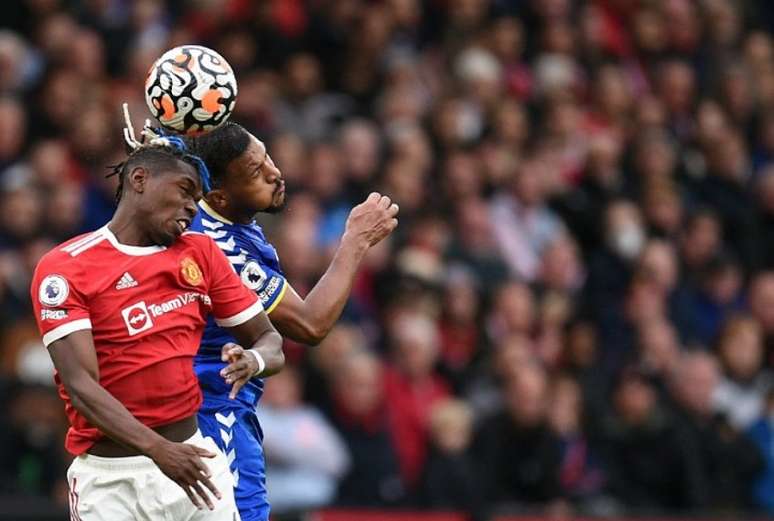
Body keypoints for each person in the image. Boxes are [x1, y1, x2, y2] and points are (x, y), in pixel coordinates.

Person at [30, 143, 285, 520]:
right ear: (139, 179)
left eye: (198, 199)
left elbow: (272, 341)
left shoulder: (200, 252)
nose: (193, 207)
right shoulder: (65, 269)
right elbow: (82, 385)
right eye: (185, 190)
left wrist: (254, 359)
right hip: (111, 483)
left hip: (195, 464)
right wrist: (157, 449)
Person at [184, 122, 399, 521]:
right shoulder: (224, 252)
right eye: (254, 172)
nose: (274, 172)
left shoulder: (214, 216)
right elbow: (309, 324)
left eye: (266, 156)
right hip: (217, 418)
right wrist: (355, 241)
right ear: (218, 194)